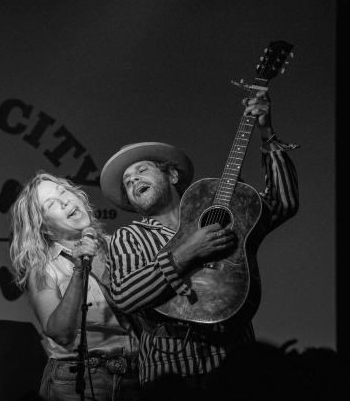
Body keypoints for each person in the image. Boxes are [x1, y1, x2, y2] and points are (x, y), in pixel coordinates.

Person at [99, 90, 299, 396]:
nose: (133, 180)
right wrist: (188, 252)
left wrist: (266, 132)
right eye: (127, 182)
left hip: (237, 363)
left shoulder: (222, 214)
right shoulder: (130, 237)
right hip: (172, 374)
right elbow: (125, 295)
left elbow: (282, 203)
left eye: (142, 170)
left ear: (173, 176)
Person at [9, 171, 141, 400]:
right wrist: (79, 270)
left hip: (136, 375)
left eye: (64, 192)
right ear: (46, 229)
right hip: (79, 380)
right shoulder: (43, 268)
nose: (65, 201)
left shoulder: (118, 246)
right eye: (52, 204)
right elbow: (59, 333)